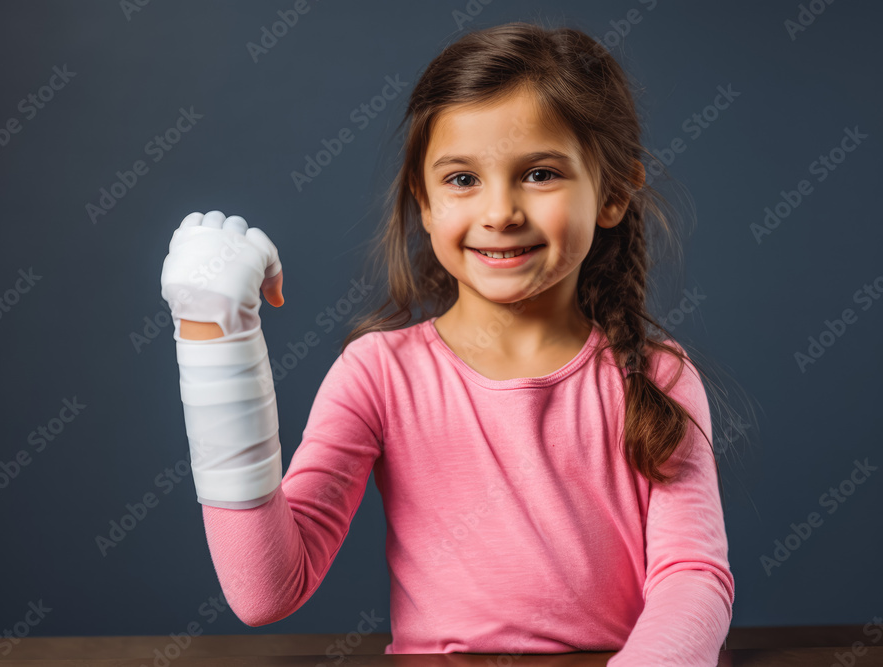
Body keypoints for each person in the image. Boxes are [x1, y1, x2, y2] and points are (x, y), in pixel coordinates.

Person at [159, 21, 739, 666]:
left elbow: (693, 576)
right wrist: (215, 343)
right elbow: (264, 591)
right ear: (426, 201)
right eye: (462, 179)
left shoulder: (657, 377)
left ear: (613, 192)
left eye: (541, 173)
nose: (500, 212)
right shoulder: (379, 374)